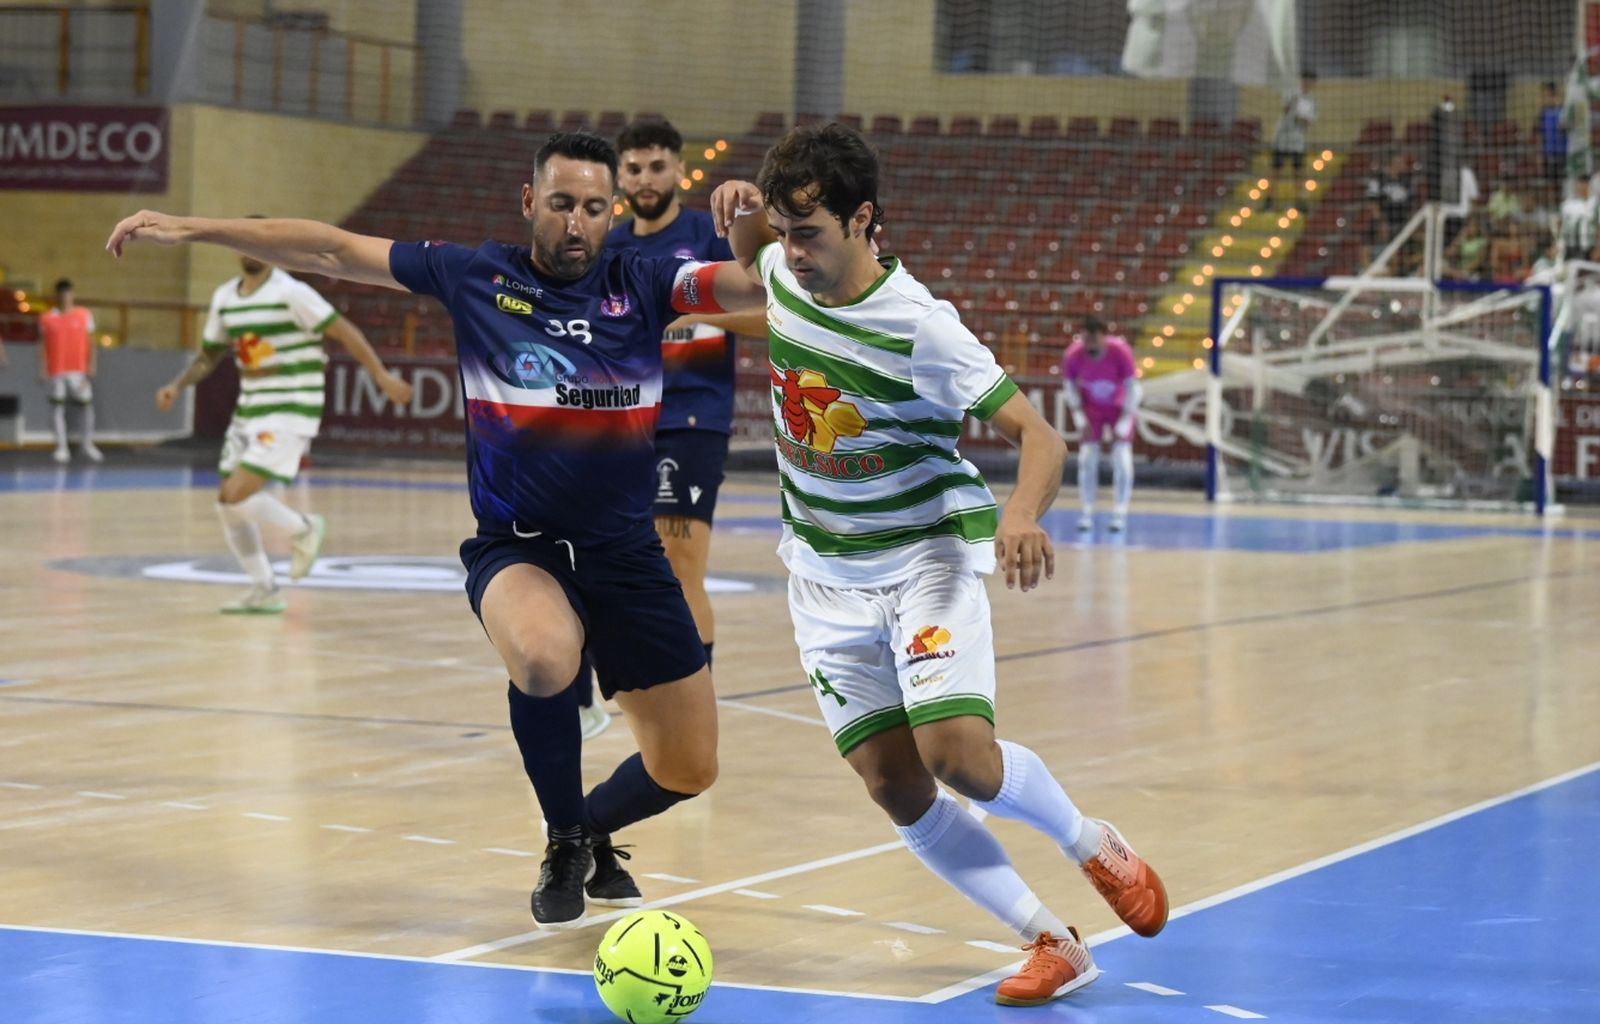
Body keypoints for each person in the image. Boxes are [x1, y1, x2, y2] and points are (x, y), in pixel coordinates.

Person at [108, 131, 767, 930]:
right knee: (543, 653)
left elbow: (760, 283)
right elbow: (331, 248)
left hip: (625, 552)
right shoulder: (476, 275)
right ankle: (563, 836)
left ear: (612, 212)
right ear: (531, 202)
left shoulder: (645, 279)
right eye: (562, 204)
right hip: (518, 546)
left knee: (689, 766)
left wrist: (751, 223)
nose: (577, 224)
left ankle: (594, 826)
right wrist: (193, 227)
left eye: (595, 208)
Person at [710, 124, 1167, 1008]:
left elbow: (1039, 434)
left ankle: (1089, 841)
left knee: (958, 755)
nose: (792, 252)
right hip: (823, 574)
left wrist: (1022, 511)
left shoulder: (922, 327)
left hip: (924, 559)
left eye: (809, 233)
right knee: (893, 781)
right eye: (784, 231)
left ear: (863, 219)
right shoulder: (780, 269)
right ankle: (1051, 940)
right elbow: (754, 256)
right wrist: (741, 218)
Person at [584, 117, 768, 742]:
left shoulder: (706, 237)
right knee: (594, 555)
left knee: (681, 565)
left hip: (691, 418)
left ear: (677, 170)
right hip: (619, 419)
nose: (643, 179)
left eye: (656, 166)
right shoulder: (608, 246)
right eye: (632, 169)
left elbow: (772, 317)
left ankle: (698, 712)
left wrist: (691, 307)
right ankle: (589, 689)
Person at [152, 242, 412, 613]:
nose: (251, 251)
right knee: (228, 505)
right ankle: (264, 589)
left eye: (259, 245)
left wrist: (381, 375)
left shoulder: (292, 292)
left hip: (290, 405)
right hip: (250, 409)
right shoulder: (225, 297)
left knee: (237, 495)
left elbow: (343, 330)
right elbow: (210, 355)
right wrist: (177, 385)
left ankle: (303, 528)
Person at [1061, 316, 1141, 533]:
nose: (1090, 346)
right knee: (1087, 459)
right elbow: (1069, 388)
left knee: (1122, 459)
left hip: (1119, 407)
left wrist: (1125, 422)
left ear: (1105, 337)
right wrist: (1079, 417)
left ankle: (1120, 512)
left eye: (1094, 341)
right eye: (1086, 340)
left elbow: (1133, 388)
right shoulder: (1073, 355)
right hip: (1092, 409)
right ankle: (1087, 511)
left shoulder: (1121, 352)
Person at [38, 279, 102, 464]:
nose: (66, 297)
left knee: (86, 406)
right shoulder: (47, 318)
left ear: (73, 294)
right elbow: (41, 345)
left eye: (69, 293)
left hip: (79, 370)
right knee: (57, 408)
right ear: (57, 295)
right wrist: (43, 367)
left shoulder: (84, 315)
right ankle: (61, 447)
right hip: (56, 369)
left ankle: (87, 444)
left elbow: (92, 342)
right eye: (62, 294)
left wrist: (92, 365)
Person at [1267, 72, 1316, 210]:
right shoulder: (1291, 94)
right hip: (1282, 140)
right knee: (1275, 171)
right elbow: (1285, 109)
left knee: (1299, 173)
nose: (1306, 84)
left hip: (1298, 143)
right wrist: (1292, 105)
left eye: (1310, 81)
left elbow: (1308, 121)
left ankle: (1301, 201)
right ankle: (1269, 201)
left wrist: (1299, 117)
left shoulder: (1311, 101)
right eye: (1305, 80)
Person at [1539, 80, 1567, 188]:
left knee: (1562, 183)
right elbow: (1541, 135)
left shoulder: (1562, 111)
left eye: (1547, 94)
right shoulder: (1543, 112)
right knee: (1550, 184)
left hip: (1562, 154)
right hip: (1548, 154)